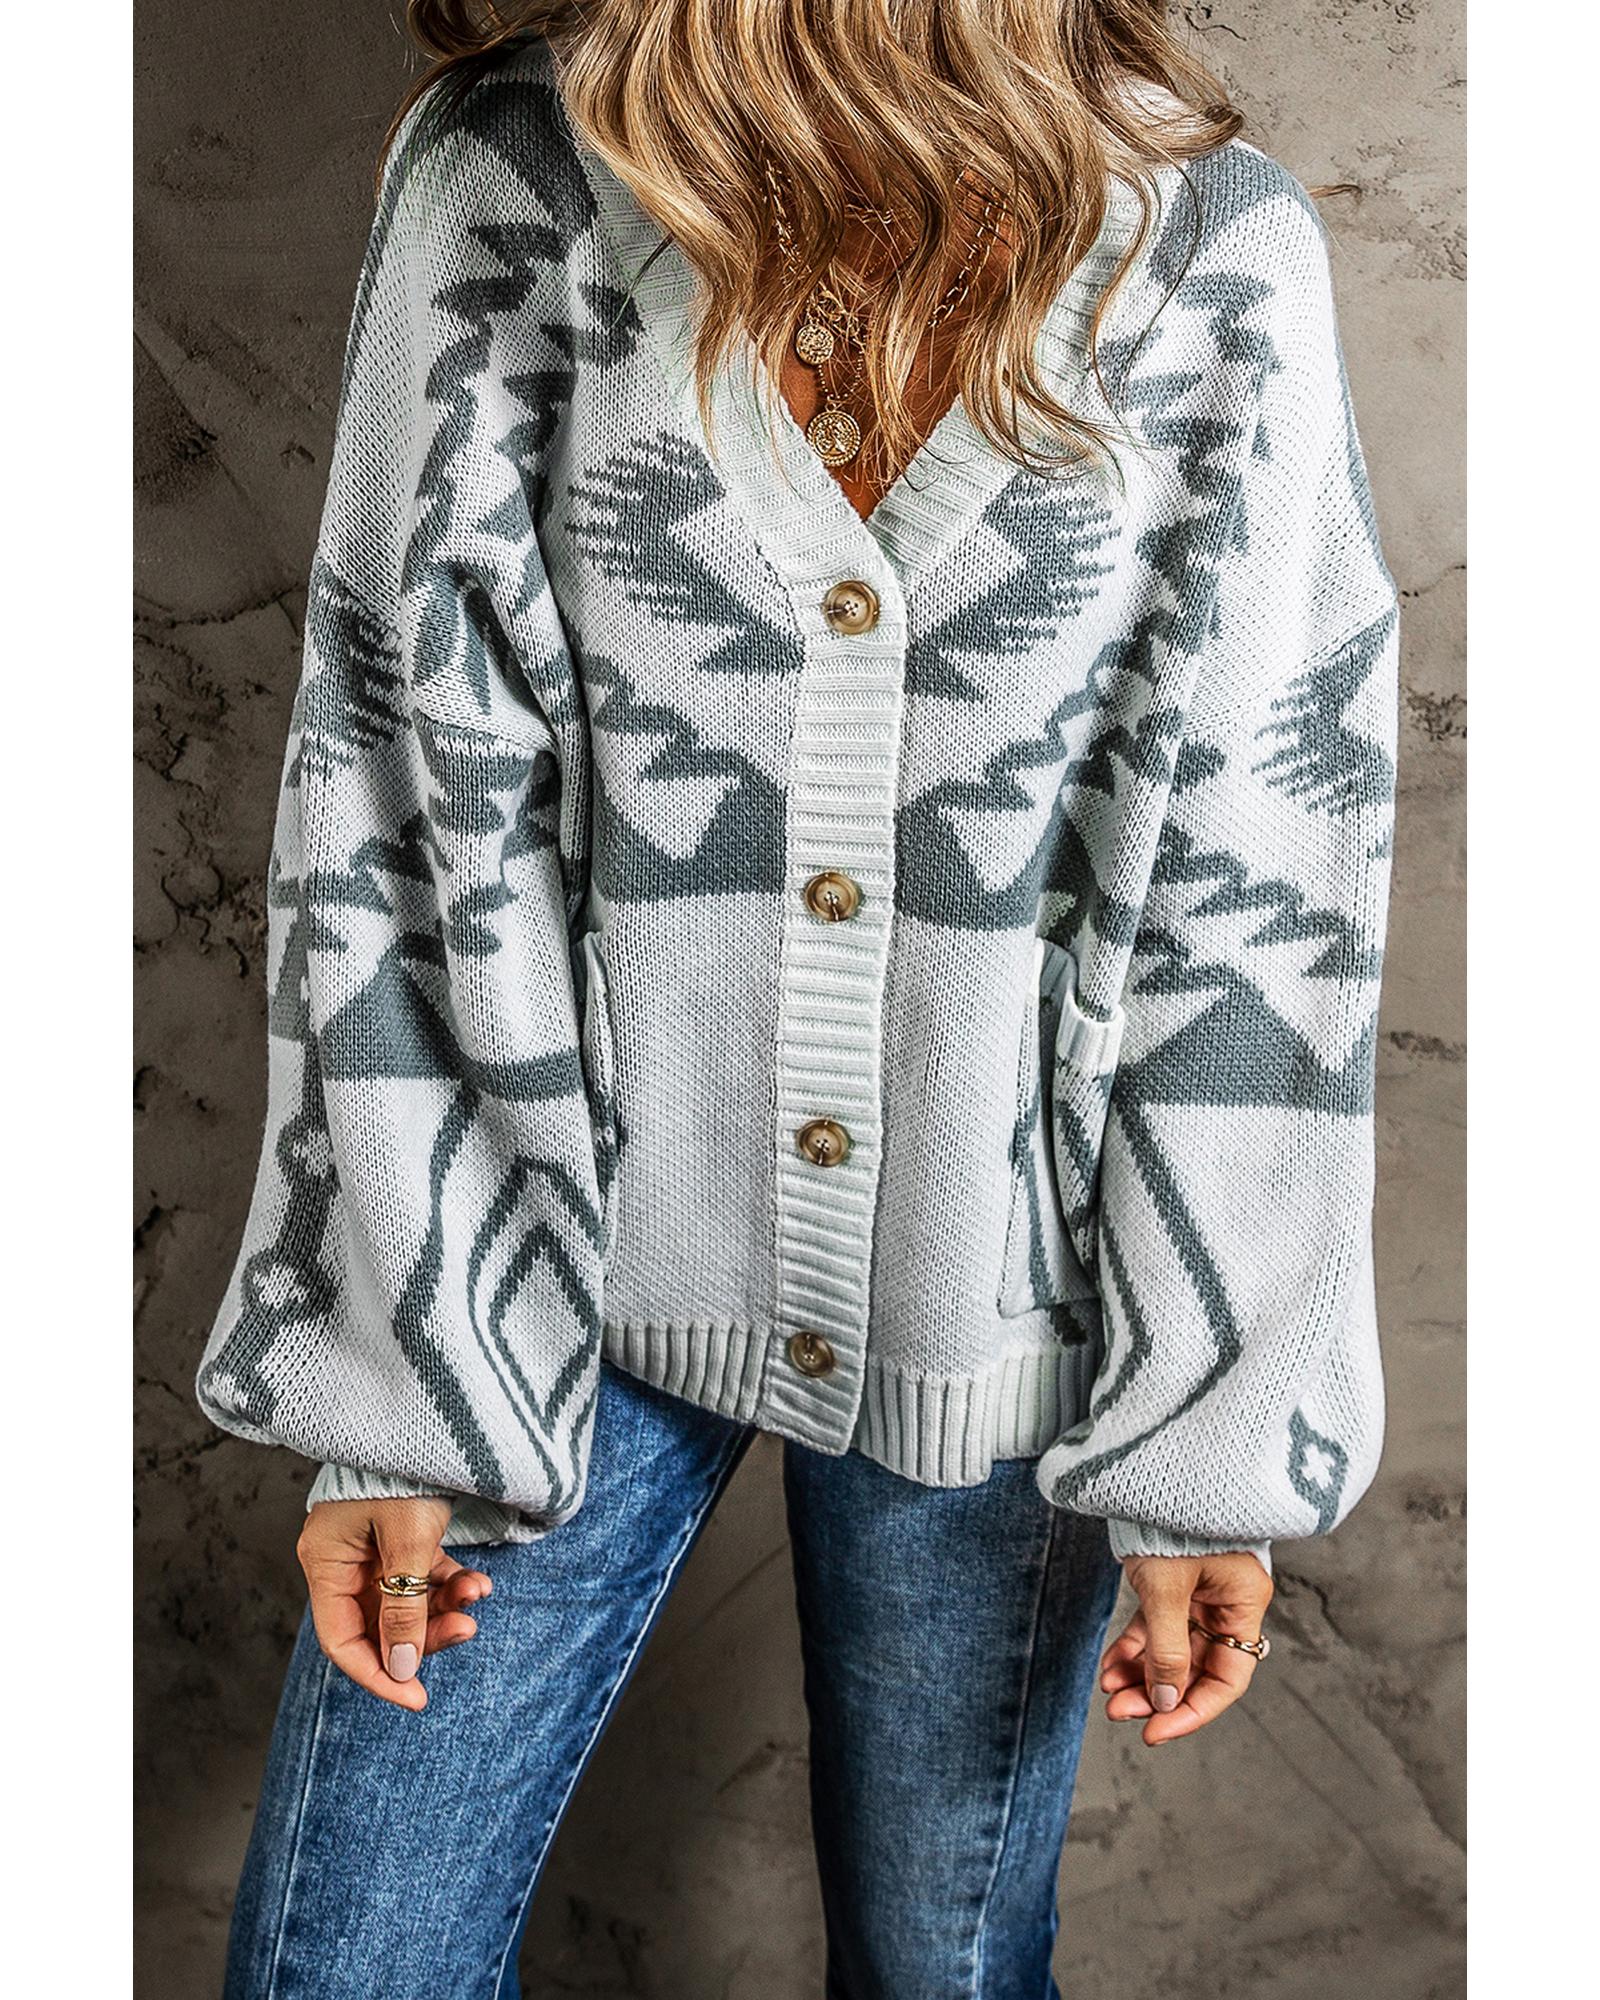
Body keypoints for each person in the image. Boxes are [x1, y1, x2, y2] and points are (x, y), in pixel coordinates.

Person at [195, 3, 1399, 1994]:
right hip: (536, 1281)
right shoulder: (510, 179)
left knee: (945, 1972)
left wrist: (1212, 1431)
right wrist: (400, 1402)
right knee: (350, 1966)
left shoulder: (1211, 246)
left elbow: (1258, 866)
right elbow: (404, 798)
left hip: (1000, 1313)